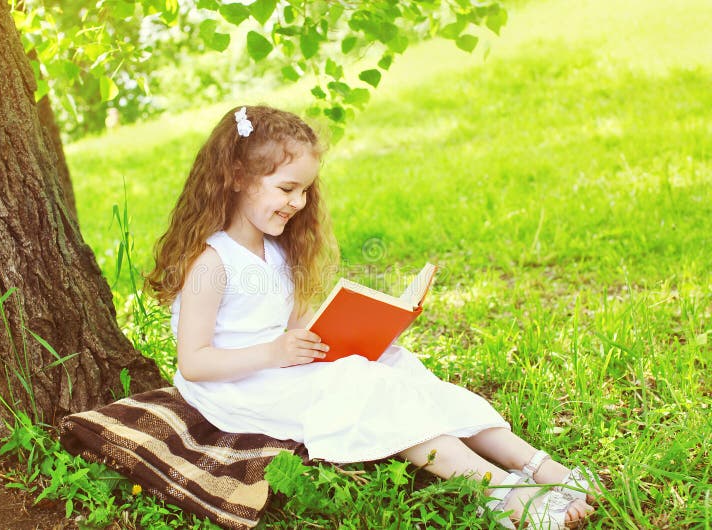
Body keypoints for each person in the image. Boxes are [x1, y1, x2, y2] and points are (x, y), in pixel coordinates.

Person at [146, 105, 600, 528]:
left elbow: (301, 323)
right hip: (236, 385)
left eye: (305, 190)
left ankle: (536, 464)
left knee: (395, 366)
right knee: (367, 385)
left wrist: (363, 332)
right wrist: (275, 352)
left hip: (277, 366)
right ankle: (501, 492)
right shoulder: (212, 261)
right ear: (237, 177)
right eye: (287, 188)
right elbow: (194, 362)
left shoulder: (277, 247)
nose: (298, 202)